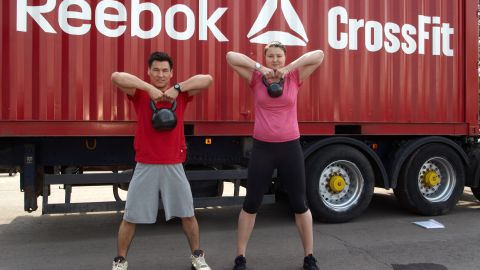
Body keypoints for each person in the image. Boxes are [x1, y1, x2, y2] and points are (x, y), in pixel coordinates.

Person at [226, 41, 324, 270]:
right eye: (271, 56)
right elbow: (231, 57)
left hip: (290, 148)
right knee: (251, 203)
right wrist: (260, 68)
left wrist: (290, 68)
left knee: (300, 203)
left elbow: (319, 55)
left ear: (284, 57)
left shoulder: (294, 78)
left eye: (278, 56)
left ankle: (309, 257)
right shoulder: (255, 80)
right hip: (263, 149)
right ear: (266, 58)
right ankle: (240, 257)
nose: (275, 60)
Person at [111, 51, 213, 270]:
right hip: (145, 164)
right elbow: (116, 77)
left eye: (165, 70)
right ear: (148, 72)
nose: (160, 74)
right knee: (130, 217)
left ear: (171, 73)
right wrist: (148, 89)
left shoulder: (181, 94)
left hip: (173, 164)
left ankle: (197, 256)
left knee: (188, 214)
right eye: (155, 70)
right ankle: (120, 261)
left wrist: (177, 88)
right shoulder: (139, 93)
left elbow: (207, 79)